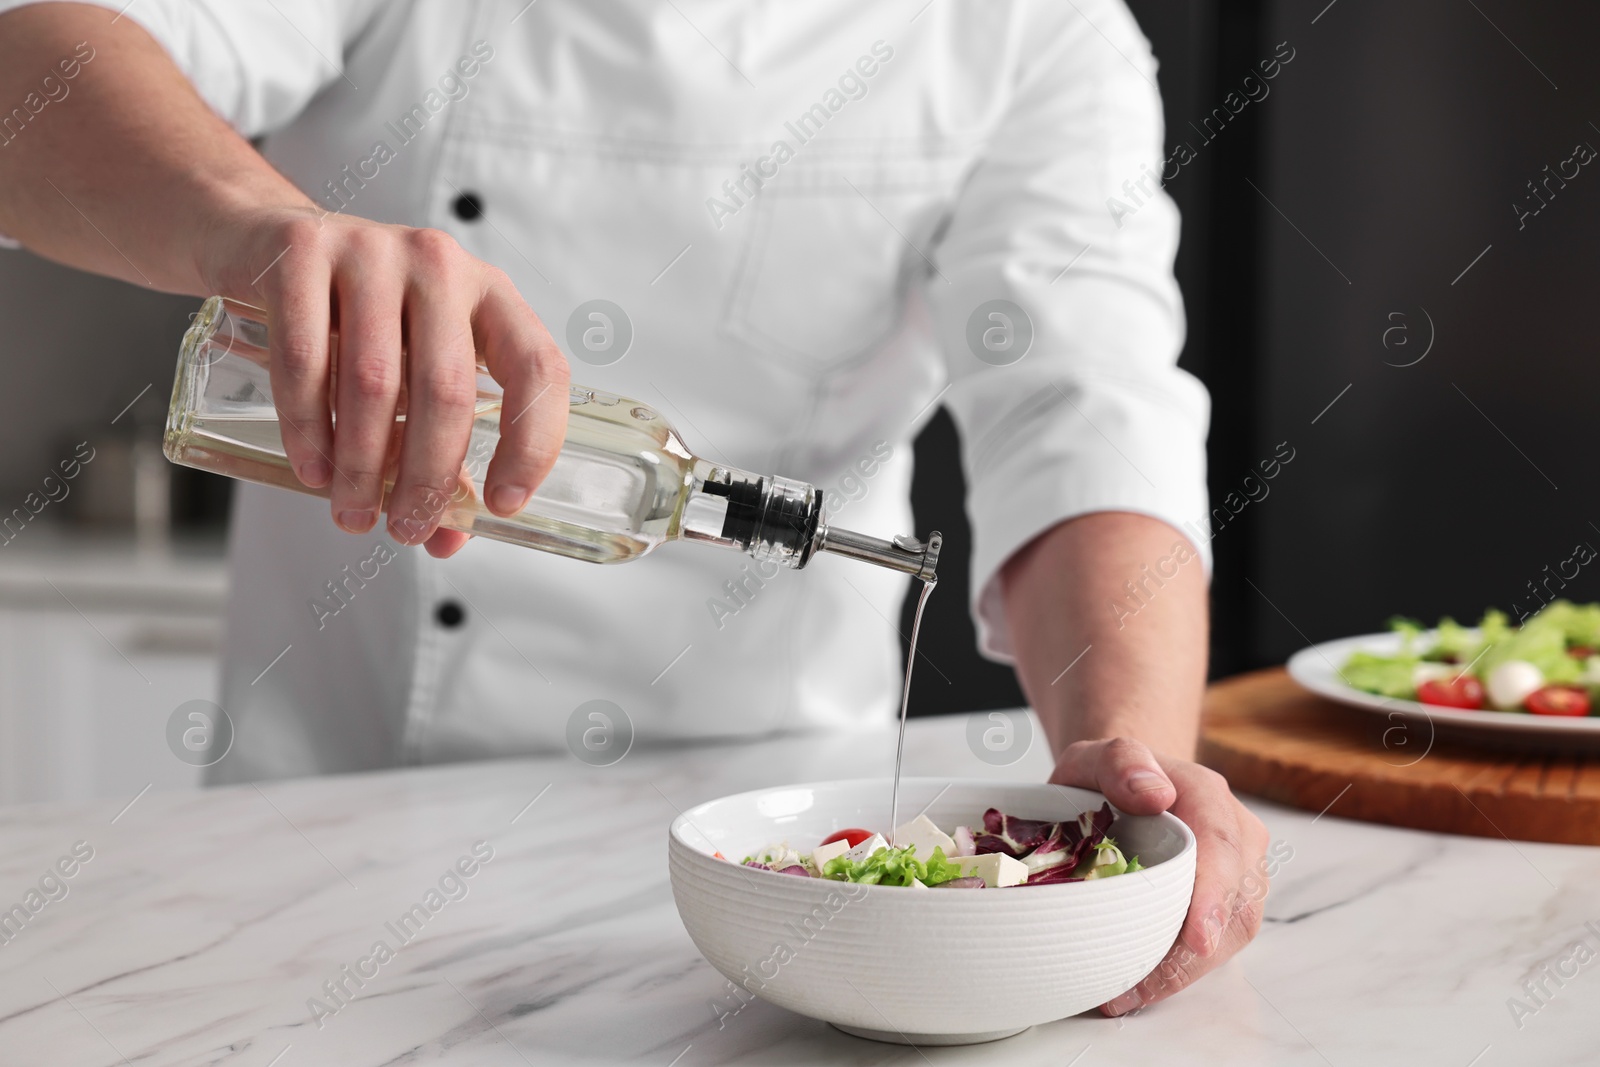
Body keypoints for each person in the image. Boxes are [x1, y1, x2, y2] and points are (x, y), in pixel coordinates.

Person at [0, 0, 1269, 1014]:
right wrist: (260, 227)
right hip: (326, 842)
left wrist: (1129, 779)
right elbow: (31, 57)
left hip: (775, 870)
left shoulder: (1034, 32)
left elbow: (1086, 417)